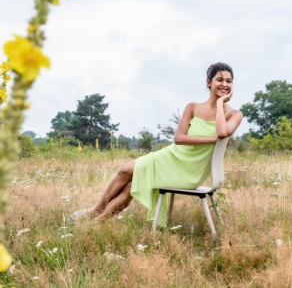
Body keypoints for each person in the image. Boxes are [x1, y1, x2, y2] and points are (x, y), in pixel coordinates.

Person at [70, 62, 243, 227]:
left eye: (228, 81)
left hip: (190, 172)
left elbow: (222, 132)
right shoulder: (193, 107)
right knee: (128, 179)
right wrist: (209, 140)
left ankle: (92, 214)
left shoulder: (234, 114)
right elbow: (179, 138)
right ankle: (97, 220)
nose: (224, 84)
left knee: (128, 172)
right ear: (208, 82)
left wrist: (220, 103)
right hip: (173, 157)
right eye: (219, 80)